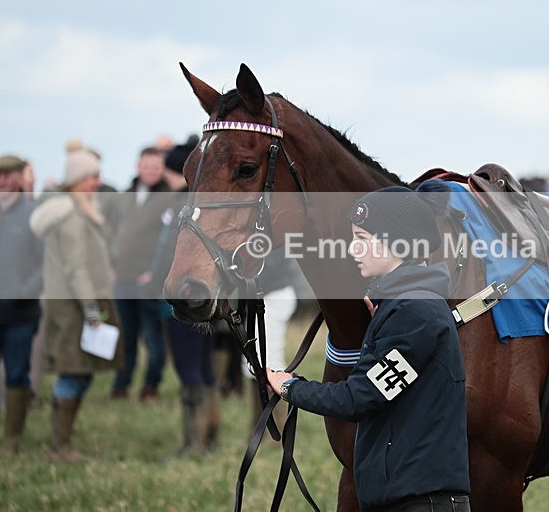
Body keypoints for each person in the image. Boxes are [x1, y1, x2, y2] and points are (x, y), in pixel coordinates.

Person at [267, 180, 471, 511]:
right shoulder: (407, 308)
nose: (353, 251)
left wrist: (290, 388)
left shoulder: (416, 313)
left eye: (362, 239)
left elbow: (359, 397)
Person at [29, 149, 123, 462]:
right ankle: (60, 446)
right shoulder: (69, 215)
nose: (97, 182)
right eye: (92, 177)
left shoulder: (82, 209)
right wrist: (92, 311)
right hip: (73, 307)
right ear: (78, 179)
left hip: (79, 304)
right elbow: (76, 268)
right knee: (72, 373)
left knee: (80, 373)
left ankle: (63, 442)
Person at [156, 135, 221, 455]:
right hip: (199, 296)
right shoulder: (195, 204)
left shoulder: (183, 207)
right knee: (204, 369)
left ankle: (194, 442)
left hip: (183, 298)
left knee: (189, 370)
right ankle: (210, 436)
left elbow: (172, 255)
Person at [110, 146, 174, 401]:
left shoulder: (169, 197)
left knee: (152, 339)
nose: (150, 171)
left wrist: (155, 274)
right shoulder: (127, 194)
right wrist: (112, 265)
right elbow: (115, 232)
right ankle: (121, 385)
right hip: (122, 279)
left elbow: (170, 242)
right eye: (146, 166)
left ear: (162, 169)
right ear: (138, 166)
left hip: (147, 282)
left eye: (155, 167)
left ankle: (150, 387)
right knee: (126, 337)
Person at [0, 154, 43, 454]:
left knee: (16, 374)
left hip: (21, 314)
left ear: (19, 178)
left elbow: (44, 262)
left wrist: (25, 290)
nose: (1, 181)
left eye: (7, 175)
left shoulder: (33, 213)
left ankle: (11, 441)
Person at [240, 249, 298, 441]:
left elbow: (267, 267)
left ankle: (278, 431)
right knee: (252, 364)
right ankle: (259, 427)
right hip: (265, 296)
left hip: (274, 295)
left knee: (269, 363)